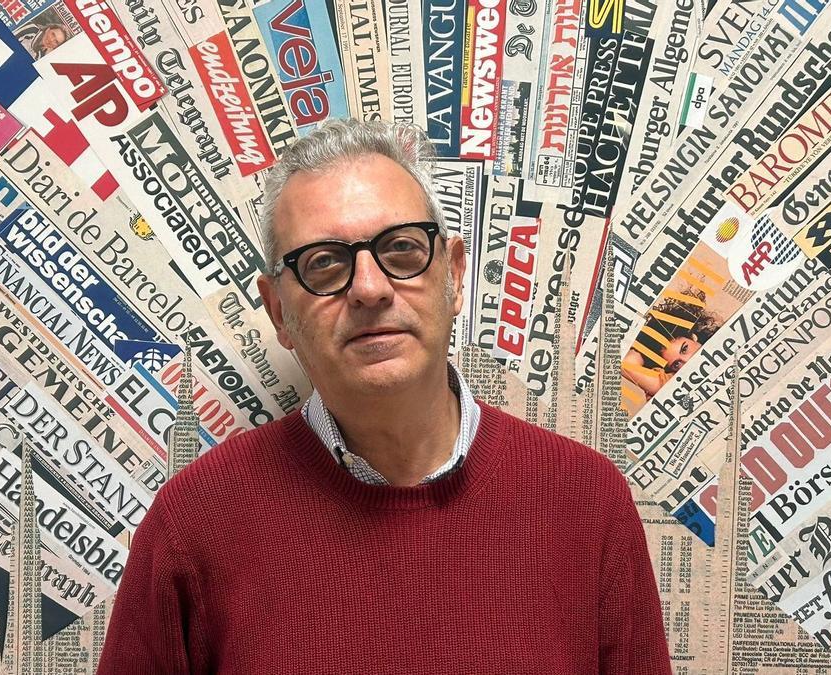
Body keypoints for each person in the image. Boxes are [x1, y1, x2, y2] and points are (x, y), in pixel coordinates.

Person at [97, 119, 671, 674]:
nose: (370, 289)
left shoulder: (587, 501)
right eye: (324, 263)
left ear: (454, 277)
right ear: (279, 312)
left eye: (400, 248)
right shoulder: (194, 523)